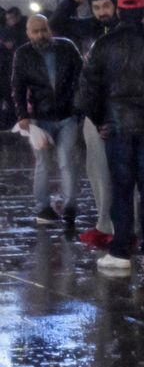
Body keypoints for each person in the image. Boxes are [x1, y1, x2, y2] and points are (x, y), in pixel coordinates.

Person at [76, 0, 144, 272]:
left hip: (117, 129)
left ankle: (121, 250)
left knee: (121, 189)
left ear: (120, 11)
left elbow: (87, 93)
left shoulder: (103, 46)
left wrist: (101, 121)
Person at [50, 0, 120, 249]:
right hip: (93, 108)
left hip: (121, 108)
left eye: (106, 6)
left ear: (116, 6)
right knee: (96, 169)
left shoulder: (126, 28)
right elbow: (57, 23)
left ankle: (122, 225)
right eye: (97, 7)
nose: (102, 12)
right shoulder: (89, 27)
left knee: (121, 172)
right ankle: (105, 223)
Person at [11, 14, 83, 225]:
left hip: (67, 114)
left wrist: (79, 108)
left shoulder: (66, 47)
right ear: (28, 33)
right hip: (40, 118)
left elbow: (81, 77)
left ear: (50, 30)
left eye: (44, 30)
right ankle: (43, 207)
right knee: (43, 163)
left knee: (66, 161)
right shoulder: (23, 54)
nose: (41, 35)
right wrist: (23, 115)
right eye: (36, 31)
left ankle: (69, 205)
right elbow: (17, 86)